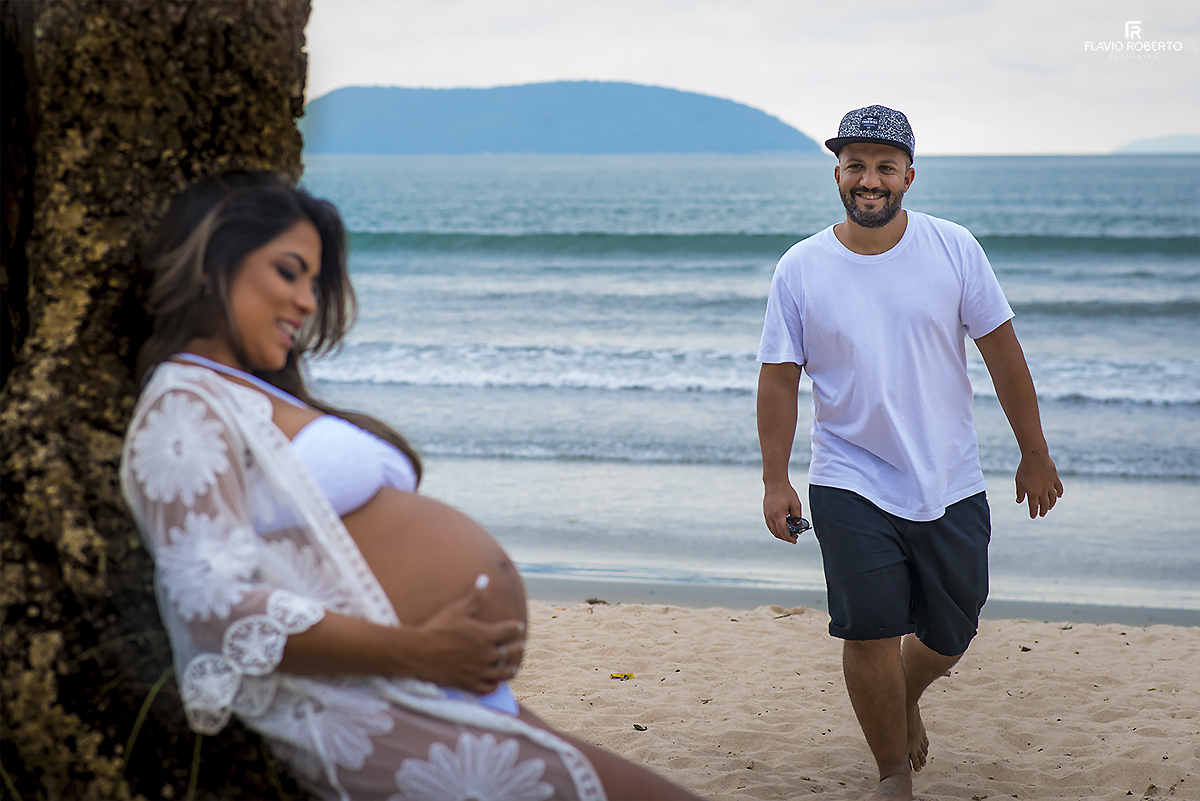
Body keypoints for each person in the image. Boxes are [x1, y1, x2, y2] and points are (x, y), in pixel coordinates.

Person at [120, 171, 702, 801]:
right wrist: (417, 651)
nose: (308, 302)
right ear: (214, 265)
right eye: (289, 273)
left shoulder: (240, 392)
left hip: (434, 689)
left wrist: (431, 657)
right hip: (387, 701)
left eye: (314, 283)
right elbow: (214, 608)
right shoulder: (183, 401)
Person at [755, 106, 1063, 801]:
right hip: (849, 475)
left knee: (954, 629)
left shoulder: (953, 249)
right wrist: (776, 480)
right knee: (868, 630)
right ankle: (892, 772)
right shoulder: (801, 267)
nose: (869, 180)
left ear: (909, 177)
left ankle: (905, 692)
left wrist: (1034, 452)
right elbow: (777, 379)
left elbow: (1004, 356)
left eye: (884, 167)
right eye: (856, 166)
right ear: (837, 174)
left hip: (949, 475)